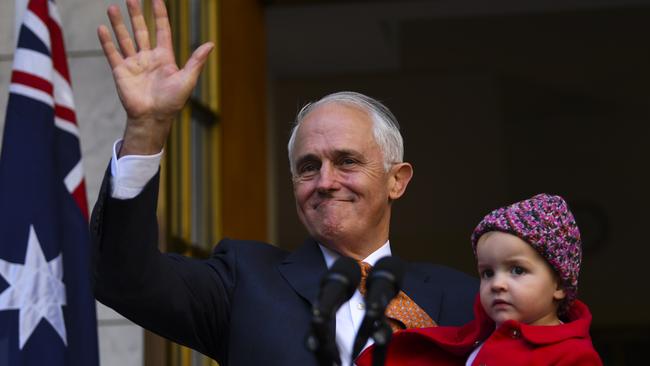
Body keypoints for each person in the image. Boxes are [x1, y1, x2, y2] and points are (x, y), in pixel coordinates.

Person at [91, 0, 477, 365]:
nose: (326, 181)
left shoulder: (465, 299)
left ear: (397, 180)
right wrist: (147, 128)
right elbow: (124, 278)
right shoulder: (244, 283)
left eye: (347, 161)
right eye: (309, 166)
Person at [356, 194, 603, 366]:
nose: (497, 284)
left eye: (517, 270)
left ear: (559, 285)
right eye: (487, 273)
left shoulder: (573, 355)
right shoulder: (477, 340)